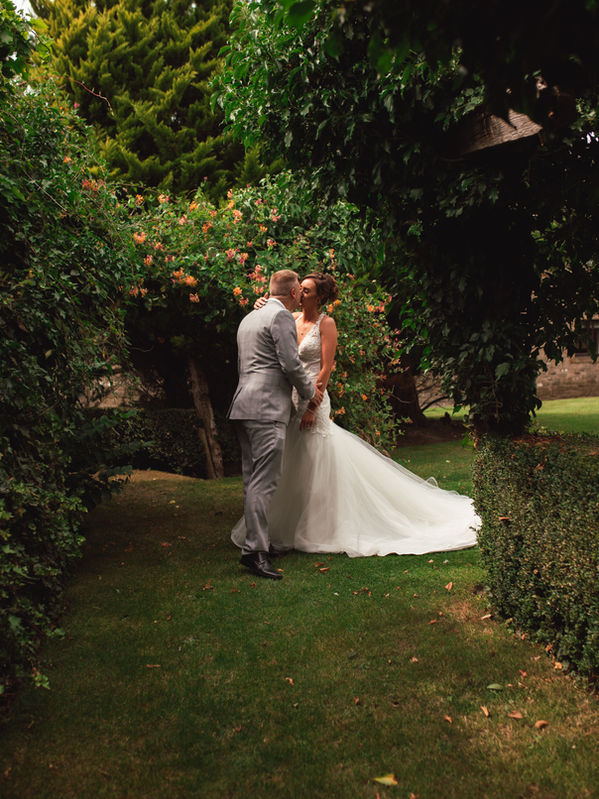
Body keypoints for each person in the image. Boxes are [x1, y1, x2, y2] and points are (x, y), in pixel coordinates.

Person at [231, 272, 480, 557]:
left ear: (319, 296)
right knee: (285, 468)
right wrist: (263, 304)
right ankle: (276, 532)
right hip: (283, 403)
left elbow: (325, 368)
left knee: (314, 463)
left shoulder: (326, 324)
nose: (301, 294)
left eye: (307, 291)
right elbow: (281, 355)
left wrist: (312, 404)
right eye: (300, 290)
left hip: (312, 399)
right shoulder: (286, 318)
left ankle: (318, 528)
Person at [228, 269, 323, 579]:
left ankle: (259, 543)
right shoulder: (281, 317)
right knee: (264, 480)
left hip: (243, 404)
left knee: (251, 478)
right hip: (267, 407)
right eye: (299, 291)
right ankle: (254, 552)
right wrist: (311, 394)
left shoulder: (248, 318)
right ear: (293, 293)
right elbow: (290, 362)